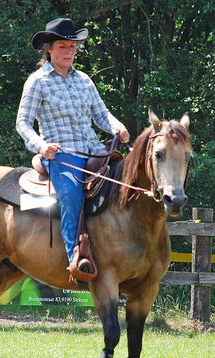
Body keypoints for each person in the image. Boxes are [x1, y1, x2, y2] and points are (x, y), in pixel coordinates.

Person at [16, 18, 130, 284]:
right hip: (62, 155)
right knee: (71, 194)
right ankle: (75, 258)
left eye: (72, 46)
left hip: (93, 151)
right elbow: (22, 123)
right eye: (62, 46)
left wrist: (117, 126)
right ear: (49, 49)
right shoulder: (38, 82)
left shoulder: (84, 81)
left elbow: (101, 115)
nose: (69, 51)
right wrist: (42, 146)